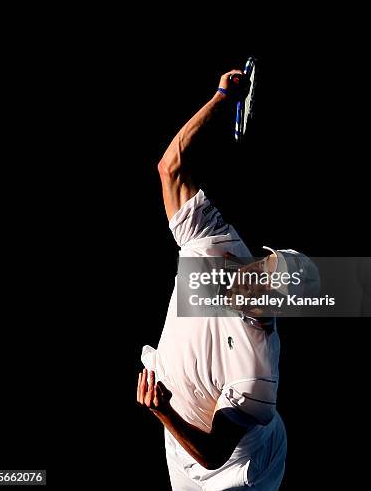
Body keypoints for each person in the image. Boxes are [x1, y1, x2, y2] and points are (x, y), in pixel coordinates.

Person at [136, 70, 289, 490]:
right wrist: (222, 97)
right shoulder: (216, 248)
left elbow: (215, 453)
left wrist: (163, 413)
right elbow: (170, 168)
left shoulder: (256, 371)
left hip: (240, 468)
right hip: (182, 434)